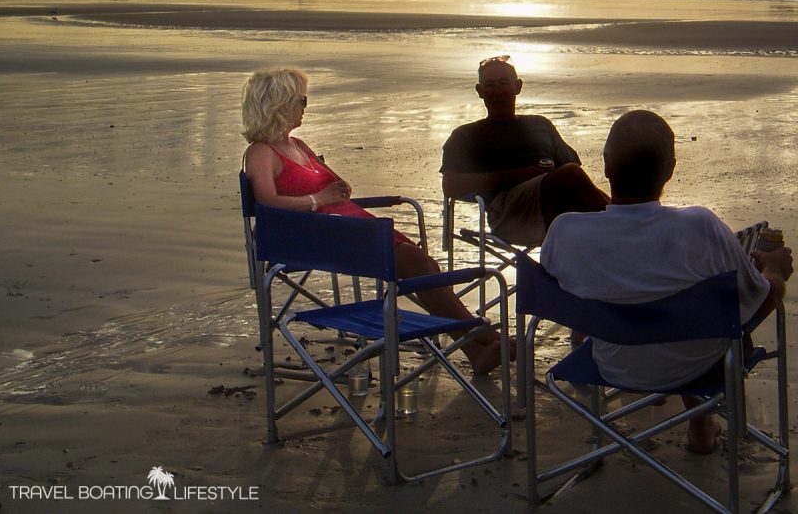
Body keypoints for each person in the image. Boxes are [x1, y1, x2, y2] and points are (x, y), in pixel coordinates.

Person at [541, 109, 792, 454]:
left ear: (605, 165)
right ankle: (701, 424)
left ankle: (697, 422)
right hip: (698, 367)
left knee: (656, 296)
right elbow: (759, 302)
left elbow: (564, 296)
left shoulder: (566, 231)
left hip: (611, 363)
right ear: (671, 170)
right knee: (695, 308)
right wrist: (775, 271)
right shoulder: (700, 227)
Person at [241, 67, 508, 375]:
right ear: (280, 103)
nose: (305, 106)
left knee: (423, 263)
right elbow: (267, 202)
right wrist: (319, 199)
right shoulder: (260, 152)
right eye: (300, 100)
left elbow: (330, 185)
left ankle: (476, 349)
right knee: (415, 262)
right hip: (316, 239)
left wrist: (336, 187)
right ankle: (482, 337)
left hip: (351, 228)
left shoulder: (298, 145)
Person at [440, 55, 609, 246]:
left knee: (577, 189)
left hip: (556, 204)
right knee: (570, 177)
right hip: (509, 214)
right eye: (490, 85)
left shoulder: (540, 125)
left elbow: (576, 174)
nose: (497, 91)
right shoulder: (466, 135)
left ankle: (621, 221)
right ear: (480, 91)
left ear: (517, 86)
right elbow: (450, 185)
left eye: (504, 83)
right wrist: (513, 176)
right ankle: (626, 225)